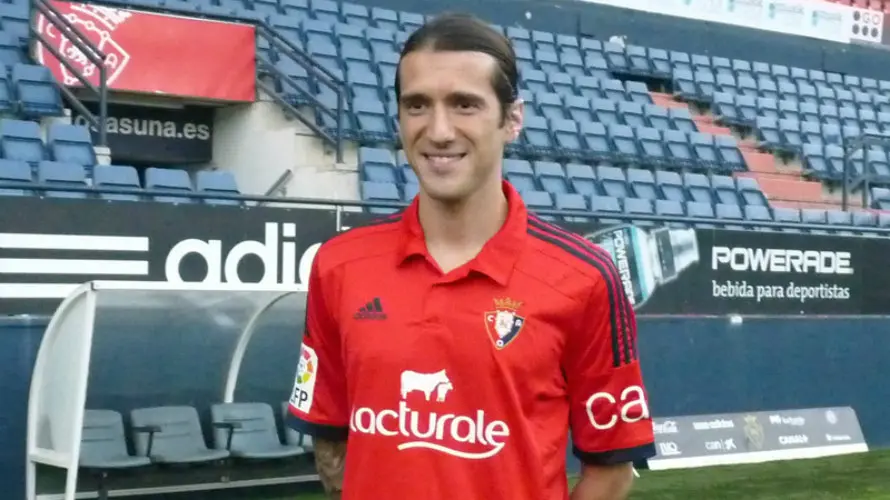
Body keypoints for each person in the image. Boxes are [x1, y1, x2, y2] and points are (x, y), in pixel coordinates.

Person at [286, 12, 656, 500]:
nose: (439, 131)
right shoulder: (339, 264)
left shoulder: (585, 275)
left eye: (465, 104)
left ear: (512, 119)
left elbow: (612, 468)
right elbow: (330, 439)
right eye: (417, 105)